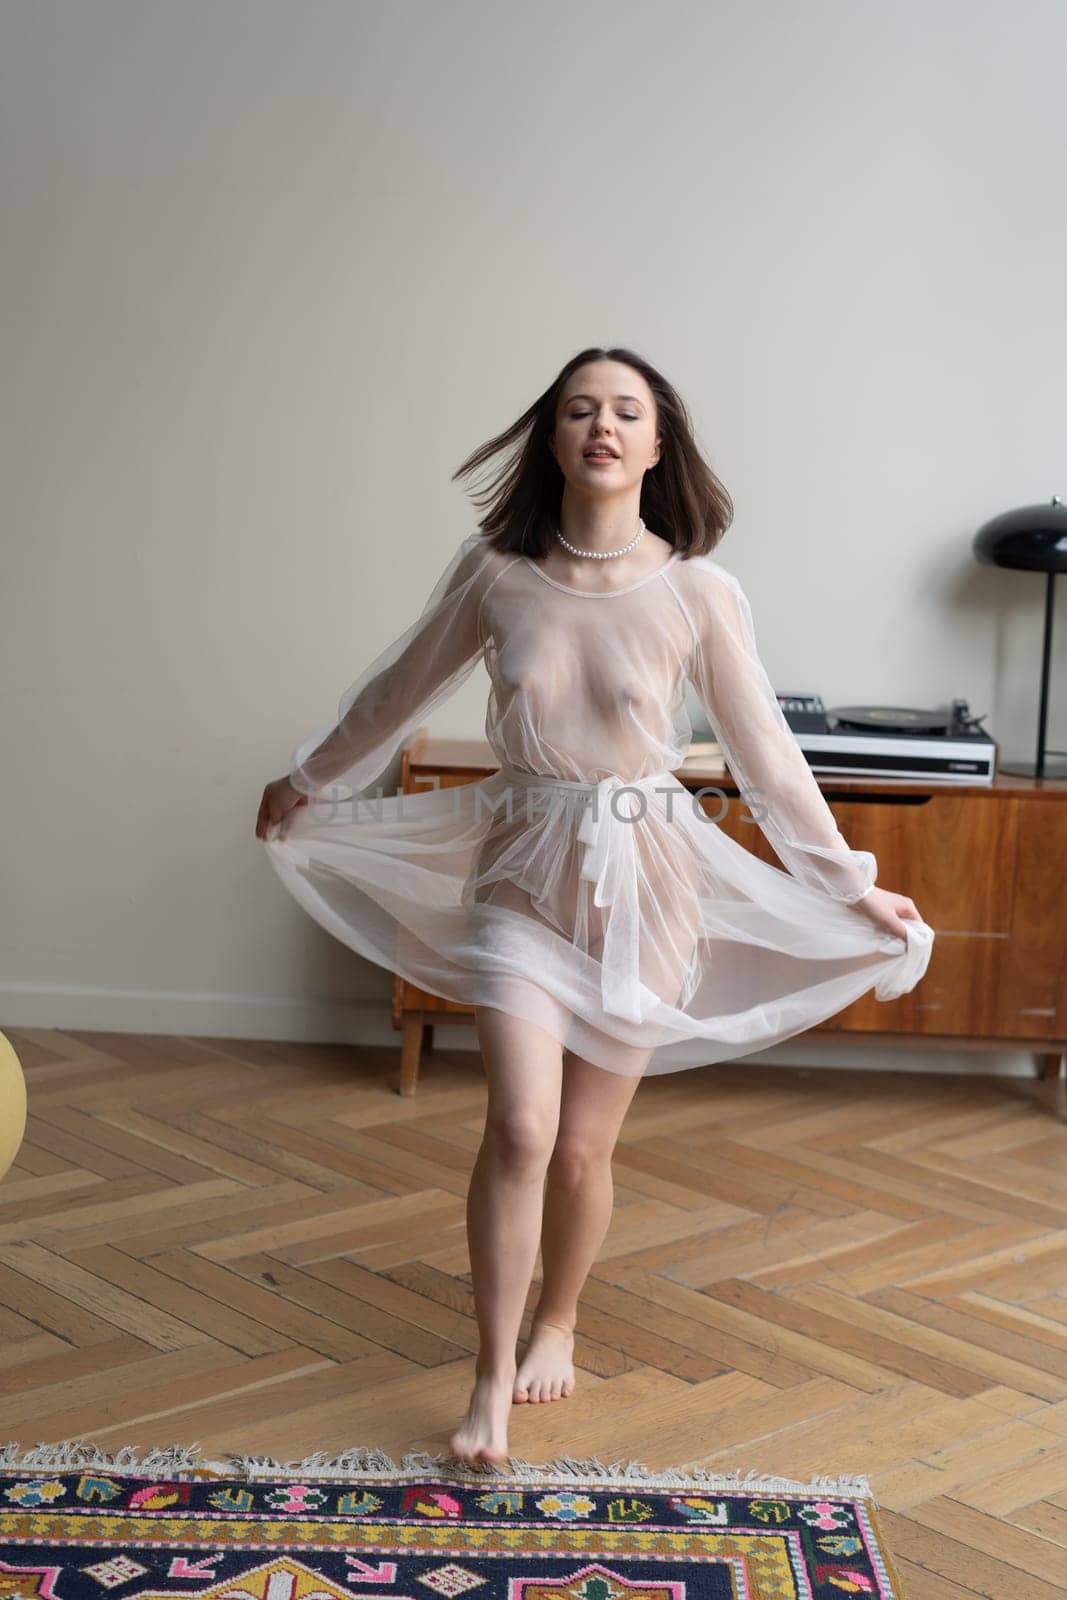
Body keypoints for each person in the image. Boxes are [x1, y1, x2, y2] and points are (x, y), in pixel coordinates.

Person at [254, 346, 934, 1470]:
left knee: (579, 1148)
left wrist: (851, 886)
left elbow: (767, 762)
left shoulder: (698, 591)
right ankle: (485, 1381)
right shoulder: (492, 573)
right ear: (553, 438)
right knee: (518, 1126)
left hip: (646, 884)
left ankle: (557, 1318)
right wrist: (312, 776)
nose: (601, 426)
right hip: (520, 870)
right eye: (579, 409)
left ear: (657, 445)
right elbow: (395, 690)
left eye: (625, 411)